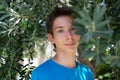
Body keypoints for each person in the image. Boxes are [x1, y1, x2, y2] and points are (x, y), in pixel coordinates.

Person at [31, 5, 94, 80]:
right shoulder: (40, 75)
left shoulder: (86, 73)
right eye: (60, 31)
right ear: (51, 38)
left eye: (73, 29)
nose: (69, 36)